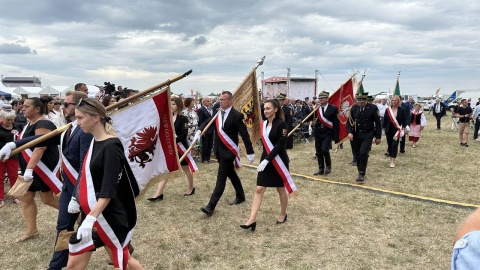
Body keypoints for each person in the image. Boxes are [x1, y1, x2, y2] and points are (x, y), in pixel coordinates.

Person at [66, 98, 143, 270]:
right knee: (73, 264)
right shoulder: (94, 141)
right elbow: (86, 174)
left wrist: (91, 218)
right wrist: (76, 197)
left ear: (95, 117)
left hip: (108, 217)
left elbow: (108, 189)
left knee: (123, 260)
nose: (77, 123)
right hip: (92, 214)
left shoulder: (111, 147)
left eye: (80, 118)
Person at [194, 91, 254, 217]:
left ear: (230, 101)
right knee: (231, 174)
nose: (221, 101)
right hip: (218, 151)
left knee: (221, 178)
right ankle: (240, 195)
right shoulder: (218, 112)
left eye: (223, 100)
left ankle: (211, 206)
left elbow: (244, 134)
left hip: (228, 152)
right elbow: (207, 122)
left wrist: (250, 151)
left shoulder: (237, 115)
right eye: (220, 99)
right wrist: (199, 130)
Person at [240, 99, 290, 231]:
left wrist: (268, 159)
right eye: (264, 109)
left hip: (278, 161)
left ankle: (283, 213)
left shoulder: (282, 124)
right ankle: (251, 219)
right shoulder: (263, 124)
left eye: (268, 108)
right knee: (259, 189)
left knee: (280, 189)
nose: (265, 111)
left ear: (276, 109)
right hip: (265, 160)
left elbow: (280, 145)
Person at [15, 97, 60, 242]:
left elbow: (40, 147)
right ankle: (31, 230)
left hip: (41, 168)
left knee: (47, 199)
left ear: (37, 109)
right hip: (29, 167)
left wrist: (29, 169)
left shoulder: (43, 123)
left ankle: (79, 215)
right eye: (23, 106)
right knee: (25, 197)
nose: (23, 108)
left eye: (27, 106)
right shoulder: (29, 124)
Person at [148, 97, 195, 201]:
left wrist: (173, 140)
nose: (172, 106)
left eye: (173, 104)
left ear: (178, 105)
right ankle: (158, 193)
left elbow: (183, 135)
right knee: (166, 169)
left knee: (186, 168)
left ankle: (191, 188)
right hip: (170, 148)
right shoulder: (167, 118)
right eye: (170, 104)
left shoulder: (183, 119)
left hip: (181, 147)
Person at [346, 94, 382, 183]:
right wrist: (349, 132)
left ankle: (362, 173)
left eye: (362, 102)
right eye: (359, 101)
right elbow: (349, 122)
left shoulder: (373, 108)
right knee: (357, 154)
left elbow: (378, 123)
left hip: (368, 133)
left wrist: (378, 137)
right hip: (356, 134)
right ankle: (359, 171)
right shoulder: (354, 108)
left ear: (366, 100)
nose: (360, 103)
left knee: (363, 153)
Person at [309, 91, 339, 175]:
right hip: (318, 132)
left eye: (322, 98)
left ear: (327, 98)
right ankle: (321, 168)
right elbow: (310, 117)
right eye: (320, 98)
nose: (320, 99)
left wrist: (336, 136)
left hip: (327, 132)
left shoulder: (333, 108)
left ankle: (328, 166)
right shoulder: (316, 108)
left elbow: (336, 123)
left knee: (324, 149)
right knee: (318, 151)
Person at [0, 106, 20, 207]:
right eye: (7, 119)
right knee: (0, 177)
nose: (10, 122)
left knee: (14, 176)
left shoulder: (16, 127)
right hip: (0, 157)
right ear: (1, 118)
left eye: (12, 119)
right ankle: (0, 198)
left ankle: (15, 196)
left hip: (13, 156)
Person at [383, 96, 407, 168]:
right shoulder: (387, 110)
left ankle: (393, 160)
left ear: (398, 101)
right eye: (392, 100)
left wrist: (403, 127)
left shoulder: (402, 109)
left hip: (397, 130)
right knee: (390, 145)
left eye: (395, 100)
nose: (394, 102)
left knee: (394, 144)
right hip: (388, 130)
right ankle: (391, 158)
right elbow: (385, 119)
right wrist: (383, 127)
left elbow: (404, 119)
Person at [196, 97, 215, 163]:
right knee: (205, 144)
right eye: (207, 101)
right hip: (205, 130)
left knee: (210, 144)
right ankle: (204, 159)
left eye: (209, 101)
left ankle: (208, 157)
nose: (209, 102)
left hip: (211, 129)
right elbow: (200, 121)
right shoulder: (201, 110)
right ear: (203, 102)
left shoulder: (210, 109)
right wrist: (201, 130)